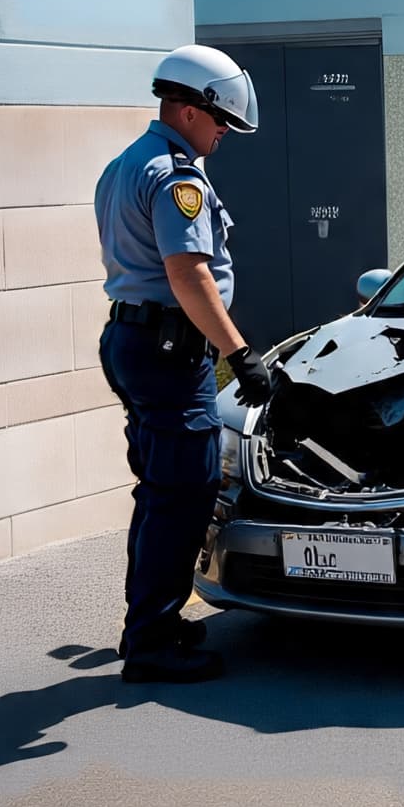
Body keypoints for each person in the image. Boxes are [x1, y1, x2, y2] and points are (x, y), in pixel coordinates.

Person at [95, 44, 274, 683]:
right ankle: (151, 642)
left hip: (132, 341)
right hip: (169, 353)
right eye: (221, 119)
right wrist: (240, 354)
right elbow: (188, 274)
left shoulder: (125, 164)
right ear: (190, 110)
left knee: (158, 489)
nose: (224, 132)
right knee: (183, 494)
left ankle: (150, 623)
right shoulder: (177, 179)